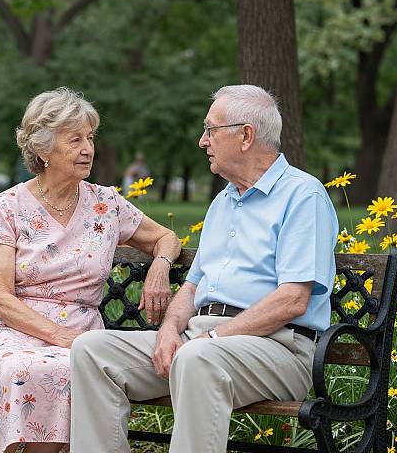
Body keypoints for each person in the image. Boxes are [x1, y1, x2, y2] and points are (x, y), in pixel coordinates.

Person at [70, 84, 339, 453]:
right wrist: (168, 331)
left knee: (197, 359)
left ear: (245, 136)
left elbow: (292, 300)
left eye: (210, 130)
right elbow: (193, 288)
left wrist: (212, 339)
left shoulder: (303, 196)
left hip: (276, 349)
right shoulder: (224, 201)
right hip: (203, 342)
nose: (202, 141)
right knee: (91, 351)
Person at [0, 87, 181, 453]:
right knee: (27, 369)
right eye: (75, 139)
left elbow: (166, 237)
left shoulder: (106, 203)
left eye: (91, 137)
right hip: (11, 330)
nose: (88, 148)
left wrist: (160, 266)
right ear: (43, 149)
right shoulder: (7, 206)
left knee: (72, 370)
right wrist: (60, 337)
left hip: (81, 332)